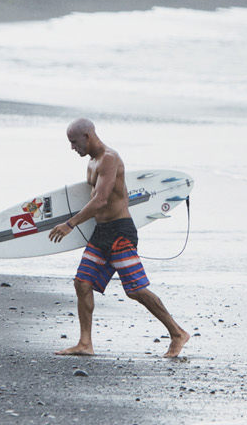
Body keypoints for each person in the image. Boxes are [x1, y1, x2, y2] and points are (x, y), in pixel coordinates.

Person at [48, 118, 190, 358]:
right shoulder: (92, 162)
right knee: (82, 283)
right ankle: (85, 343)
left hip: (120, 233)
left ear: (88, 137)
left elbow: (101, 199)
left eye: (74, 142)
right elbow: (93, 199)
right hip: (101, 233)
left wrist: (70, 224)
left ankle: (177, 333)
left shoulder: (109, 159)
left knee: (135, 290)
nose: (72, 147)